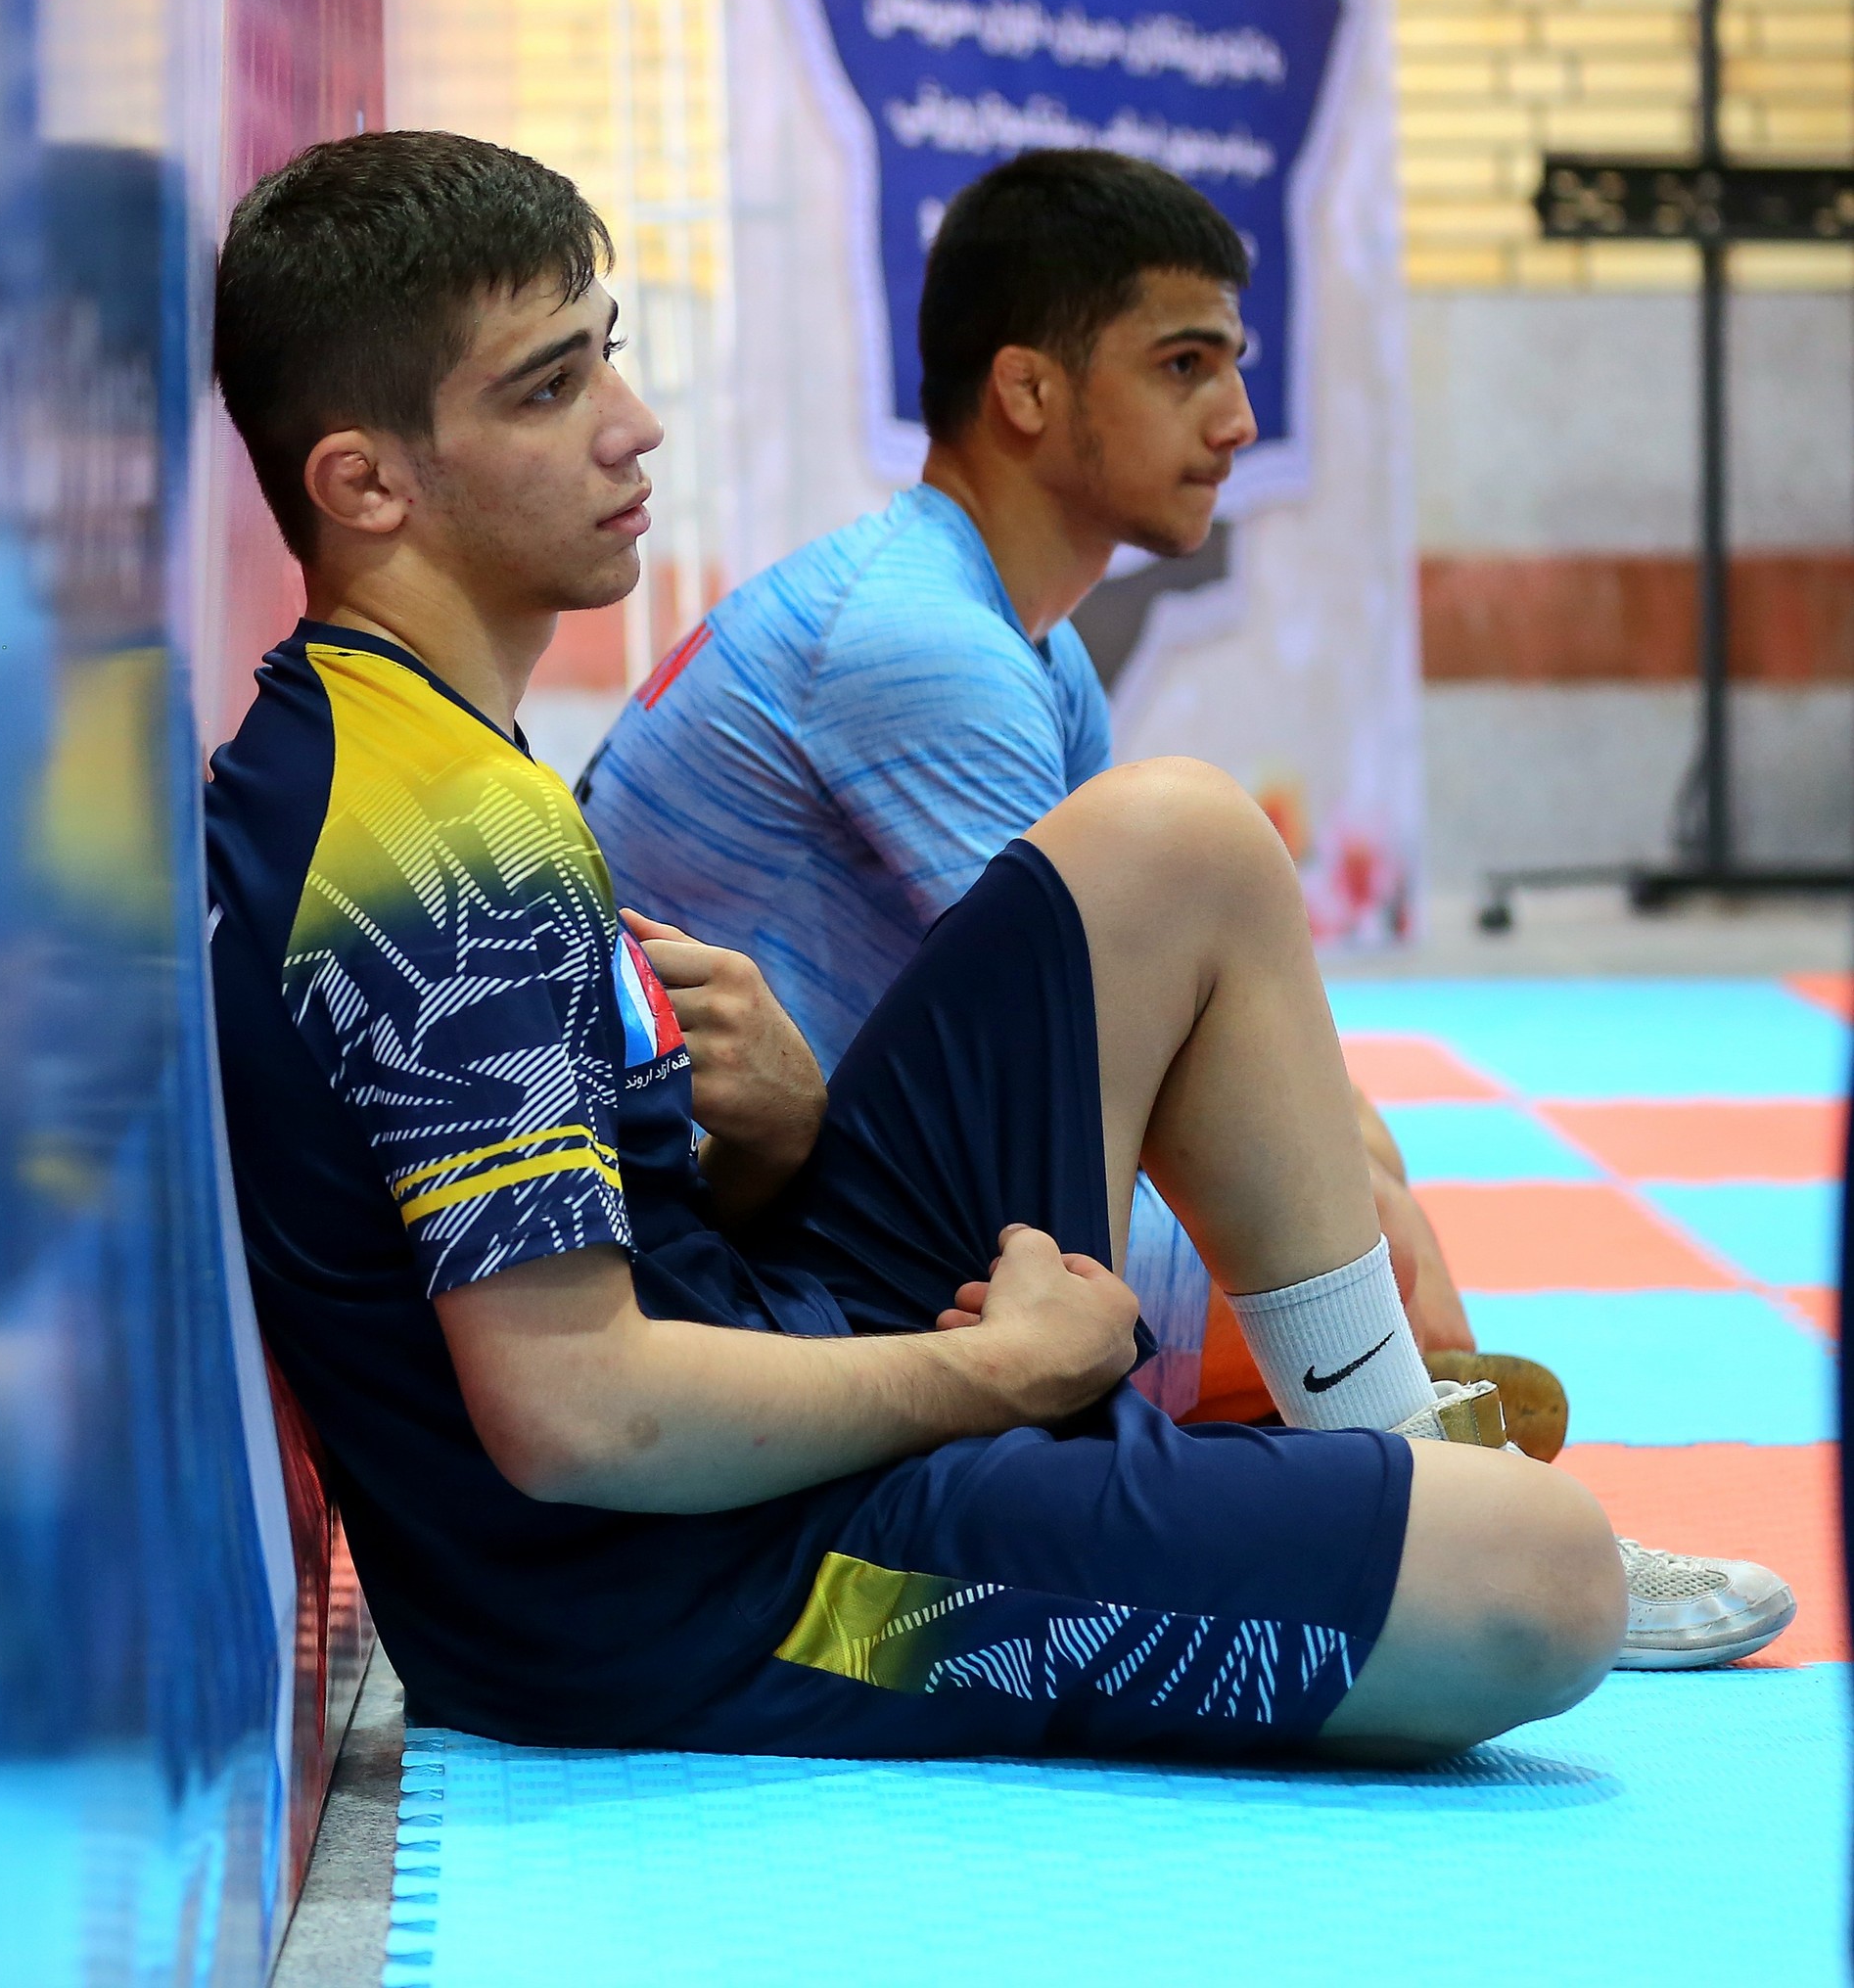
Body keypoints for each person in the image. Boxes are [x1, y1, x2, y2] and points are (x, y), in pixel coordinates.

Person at [205, 129, 1630, 1761]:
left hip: (751, 1354)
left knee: (1185, 839)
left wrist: (772, 1135)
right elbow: (576, 1414)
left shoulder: (391, 741)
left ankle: (1377, 1453)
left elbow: (600, 1239)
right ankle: (1361, 1481)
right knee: (1543, 1579)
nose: (632, 422)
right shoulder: (440, 834)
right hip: (714, 1595)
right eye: (549, 389)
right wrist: (1004, 1373)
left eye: (608, 354)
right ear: (365, 485)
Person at [576, 149, 1792, 1672]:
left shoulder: (1020, 644)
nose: (1237, 420)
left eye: (1234, 365)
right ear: (1028, 391)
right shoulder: (917, 642)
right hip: (760, 1271)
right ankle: (1441, 1501)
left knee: (1347, 1162)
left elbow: (1127, 1029)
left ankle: (1409, 1470)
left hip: (822, 1191)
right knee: (1365, 1238)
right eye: (1184, 366)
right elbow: (1097, 1040)